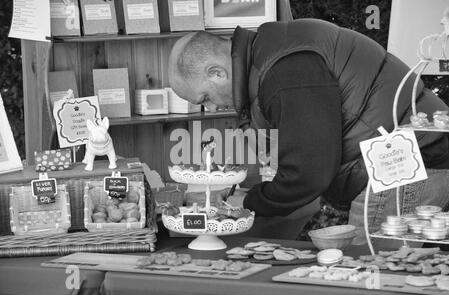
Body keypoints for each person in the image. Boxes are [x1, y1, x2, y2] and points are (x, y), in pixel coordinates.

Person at [168, 18, 449, 245]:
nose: (212, 108)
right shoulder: (271, 51)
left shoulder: (284, 71)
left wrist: (251, 201)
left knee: (370, 279)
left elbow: (309, 171)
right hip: (402, 163)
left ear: (218, 73)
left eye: (205, 98)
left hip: (403, 168)